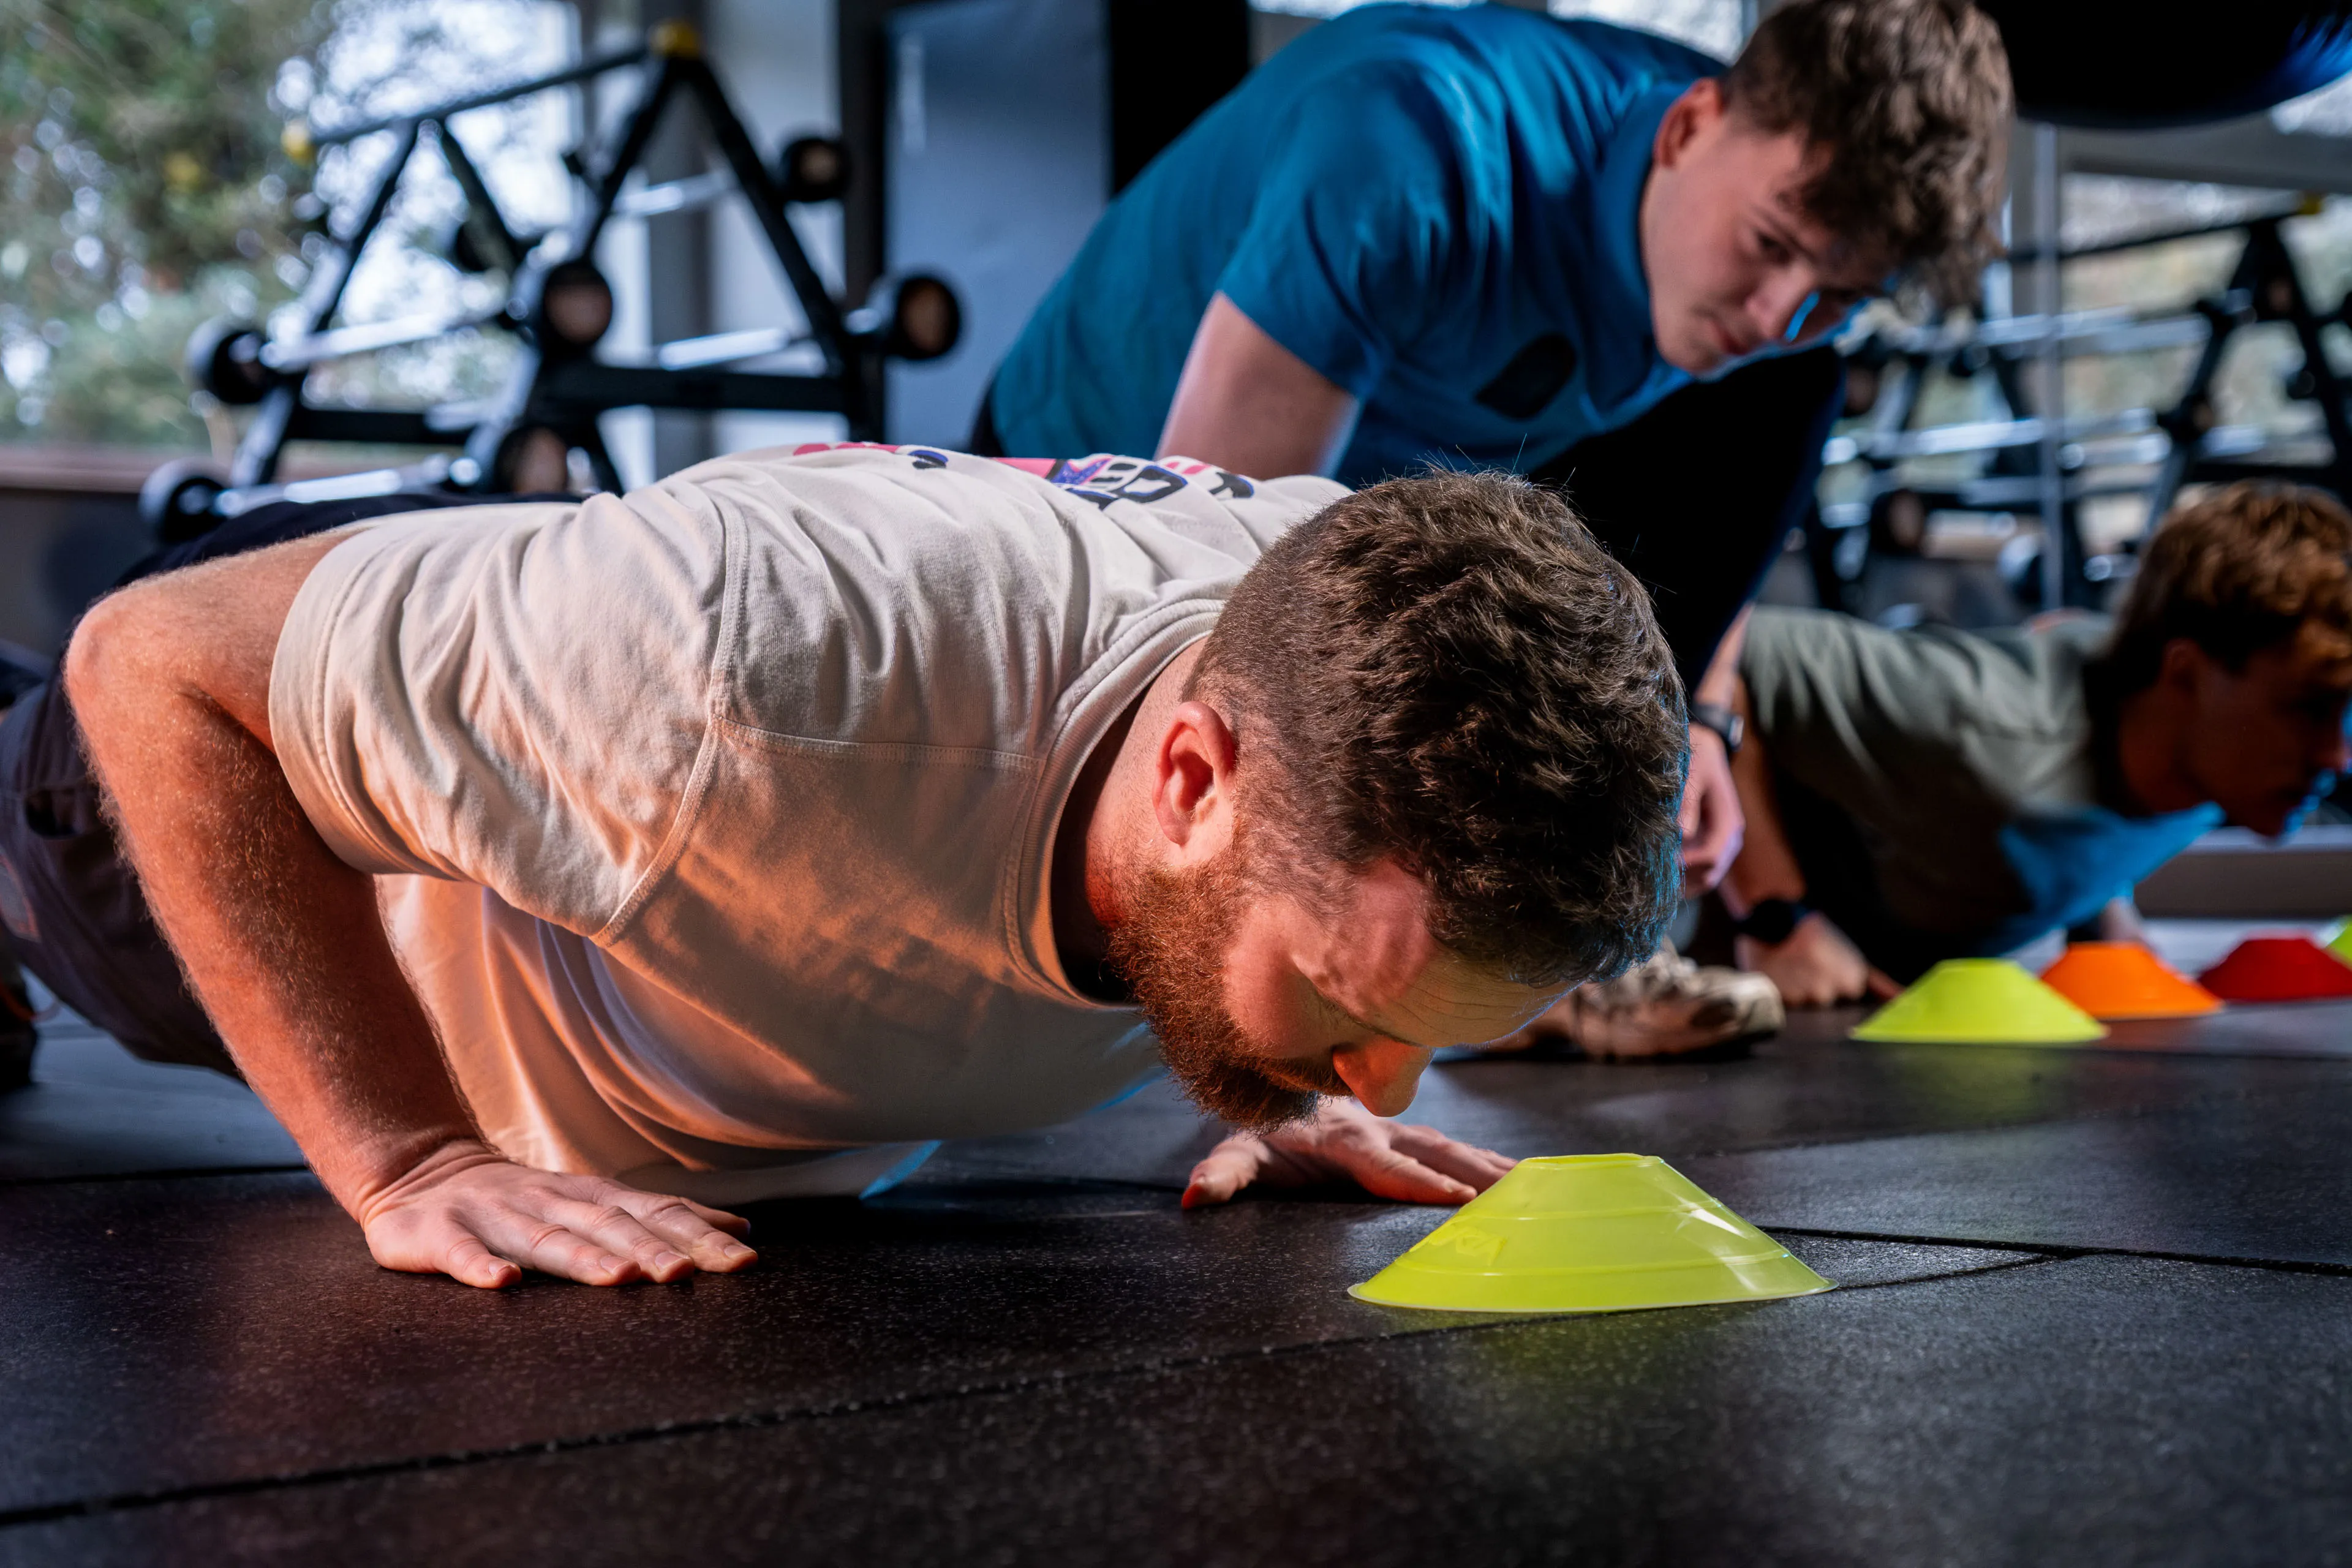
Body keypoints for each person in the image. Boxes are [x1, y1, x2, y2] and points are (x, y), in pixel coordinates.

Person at [6, 446, 1688, 1288]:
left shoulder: (1330, 628)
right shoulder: (731, 680)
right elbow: (153, 664)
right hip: (294, 835)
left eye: (1430, 1033)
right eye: (1343, 998)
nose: (1389, 1078)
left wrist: (1283, 1069)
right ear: (1191, 782)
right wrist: (405, 1157)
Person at [976, 0, 2013, 1056]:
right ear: (1689, 127)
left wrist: (1704, 723)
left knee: (1790, 388)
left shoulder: (1766, 313)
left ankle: (1539, 959)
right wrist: (1279, 1038)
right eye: (1769, 246)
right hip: (1100, 482)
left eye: (1836, 293)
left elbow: (1736, 486)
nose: (1772, 314)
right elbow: (1211, 578)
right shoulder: (1411, 147)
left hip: (1405, 448)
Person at [1717, 482, 2352, 1003]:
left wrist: (2103, 909)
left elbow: (2066, 632)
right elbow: (1728, 653)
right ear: (2184, 674)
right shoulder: (1983, 728)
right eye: (2306, 712)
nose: (2337, 757)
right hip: (1689, 956)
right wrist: (1775, 917)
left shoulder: (2213, 753)